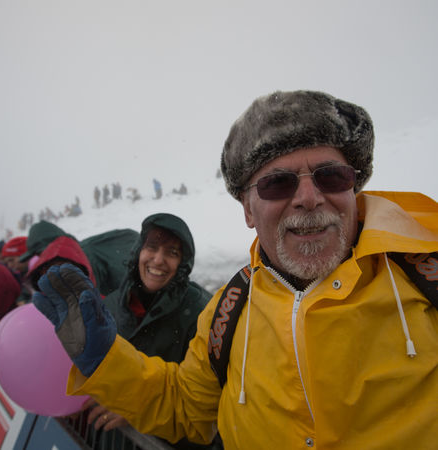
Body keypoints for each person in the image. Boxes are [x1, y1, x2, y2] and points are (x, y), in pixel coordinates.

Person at [33, 90, 438, 449]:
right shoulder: (228, 312)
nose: (309, 197)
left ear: (353, 186)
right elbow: (185, 408)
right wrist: (105, 359)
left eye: (330, 176)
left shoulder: (424, 281)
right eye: (278, 183)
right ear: (247, 210)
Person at [88, 213, 220, 449]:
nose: (158, 260)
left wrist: (136, 411)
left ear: (183, 263)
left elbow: (203, 404)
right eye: (152, 247)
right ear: (139, 250)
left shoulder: (201, 316)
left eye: (172, 252)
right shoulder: (115, 304)